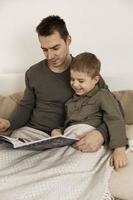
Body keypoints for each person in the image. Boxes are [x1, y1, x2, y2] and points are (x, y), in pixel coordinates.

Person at [0, 15, 120, 152]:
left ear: (68, 40)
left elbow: (115, 108)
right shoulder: (33, 73)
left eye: (55, 48)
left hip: (69, 135)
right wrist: (9, 123)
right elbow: (26, 106)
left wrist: (100, 134)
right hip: (33, 133)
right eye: (44, 50)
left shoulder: (85, 73)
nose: (50, 56)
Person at [51, 52, 128, 170]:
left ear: (95, 79)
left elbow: (115, 118)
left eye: (81, 81)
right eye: (72, 79)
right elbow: (70, 123)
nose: (75, 84)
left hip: (90, 138)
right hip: (71, 141)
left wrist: (119, 148)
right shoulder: (70, 102)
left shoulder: (102, 95)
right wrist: (58, 132)